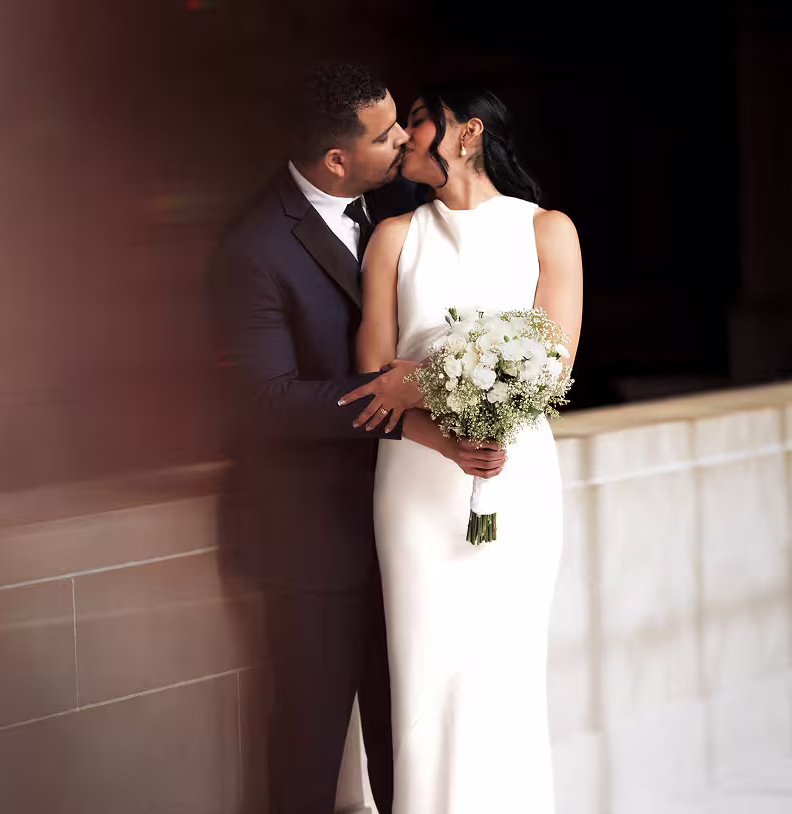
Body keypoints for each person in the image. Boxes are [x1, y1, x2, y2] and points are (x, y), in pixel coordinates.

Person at [210, 64, 505, 814]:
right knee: (309, 742)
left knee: (409, 738)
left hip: (412, 522)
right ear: (338, 159)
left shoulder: (402, 205)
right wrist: (394, 399)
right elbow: (263, 403)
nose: (405, 138)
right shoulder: (252, 248)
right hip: (312, 536)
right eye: (386, 134)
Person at [343, 84, 583, 812]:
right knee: (425, 664)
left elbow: (553, 369)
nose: (403, 137)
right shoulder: (393, 237)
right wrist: (433, 404)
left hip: (516, 473)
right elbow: (372, 378)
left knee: (505, 663)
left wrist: (421, 378)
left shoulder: (547, 230)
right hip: (416, 479)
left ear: (468, 132)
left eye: (418, 121)